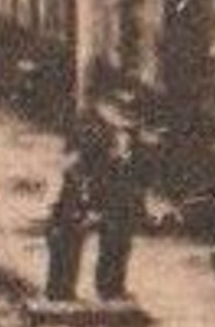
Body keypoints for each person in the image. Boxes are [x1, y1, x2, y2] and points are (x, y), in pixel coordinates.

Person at [44, 119, 108, 302]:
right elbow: (55, 201)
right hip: (63, 221)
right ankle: (57, 292)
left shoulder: (85, 175)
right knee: (61, 256)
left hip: (73, 222)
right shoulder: (67, 176)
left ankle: (64, 292)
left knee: (72, 257)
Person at [94, 124, 146, 301]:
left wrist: (140, 212)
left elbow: (140, 190)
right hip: (110, 211)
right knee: (107, 248)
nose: (123, 143)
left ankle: (117, 287)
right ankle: (103, 288)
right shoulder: (109, 162)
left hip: (127, 212)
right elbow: (99, 186)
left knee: (123, 249)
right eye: (120, 140)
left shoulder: (136, 163)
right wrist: (97, 208)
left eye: (126, 140)